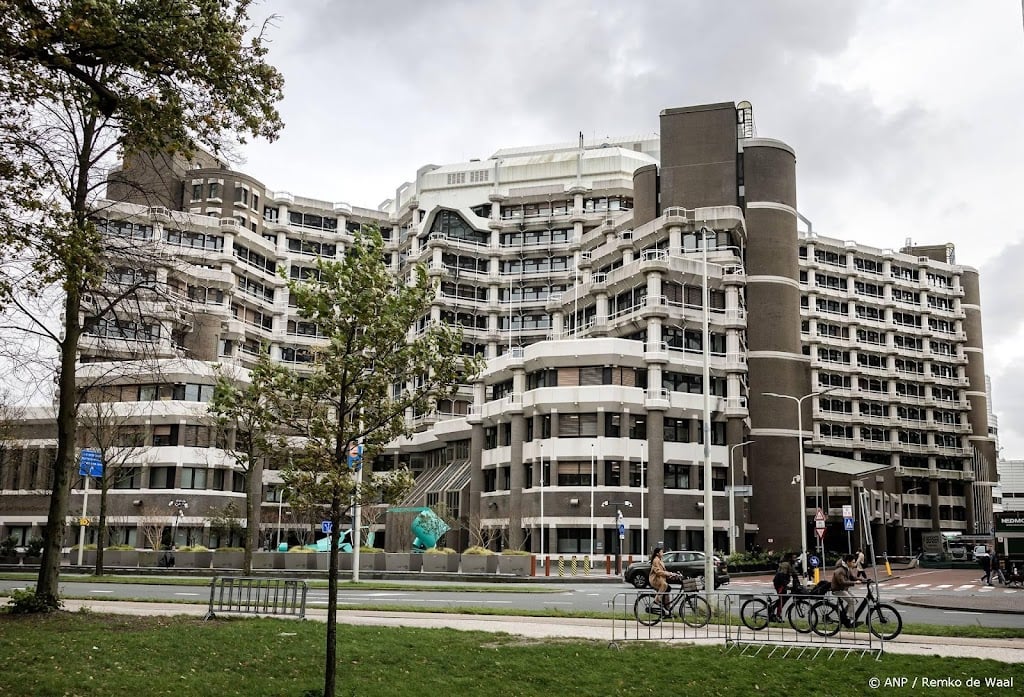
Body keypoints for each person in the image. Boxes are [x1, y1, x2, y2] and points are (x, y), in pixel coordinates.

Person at [831, 553, 860, 628]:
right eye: (853, 562)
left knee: (855, 600)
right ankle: (851, 620)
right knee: (851, 601)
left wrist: (865, 580)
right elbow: (842, 582)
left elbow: (853, 577)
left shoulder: (847, 568)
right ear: (848, 562)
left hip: (844, 589)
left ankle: (844, 616)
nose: (854, 563)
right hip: (838, 590)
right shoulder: (840, 570)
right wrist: (854, 582)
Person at [772, 553, 800, 622]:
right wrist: (785, 586)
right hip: (779, 583)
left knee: (783, 599)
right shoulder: (785, 564)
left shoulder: (791, 565)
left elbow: (794, 574)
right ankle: (778, 616)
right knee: (782, 599)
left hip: (783, 583)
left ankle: (773, 608)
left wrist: (798, 584)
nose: (795, 559)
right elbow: (781, 575)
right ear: (790, 558)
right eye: (794, 558)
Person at [647, 547, 673, 616]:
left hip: (660, 579)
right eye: (661, 552)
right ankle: (657, 600)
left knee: (668, 589)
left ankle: (667, 608)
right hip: (655, 580)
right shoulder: (656, 560)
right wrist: (668, 573)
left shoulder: (660, 560)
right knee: (665, 586)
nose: (663, 553)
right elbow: (658, 572)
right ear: (657, 553)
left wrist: (670, 574)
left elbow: (663, 571)